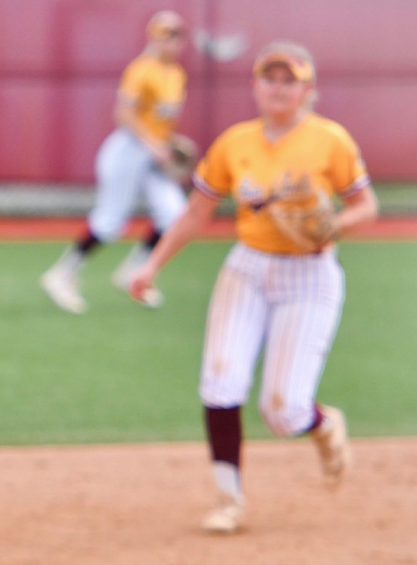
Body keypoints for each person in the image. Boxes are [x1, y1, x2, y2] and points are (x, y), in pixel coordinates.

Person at [128, 42, 378, 533]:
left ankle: (323, 425)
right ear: (255, 85)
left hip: (310, 275)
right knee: (220, 380)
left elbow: (366, 205)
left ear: (307, 89)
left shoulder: (330, 140)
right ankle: (229, 498)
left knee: (283, 411)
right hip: (248, 268)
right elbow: (197, 212)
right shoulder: (234, 143)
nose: (279, 87)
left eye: (290, 80)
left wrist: (334, 225)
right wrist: (151, 266)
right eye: (270, 78)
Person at [41, 9, 190, 314]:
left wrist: (169, 145)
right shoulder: (142, 69)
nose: (173, 42)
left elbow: (160, 121)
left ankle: (135, 273)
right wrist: (153, 144)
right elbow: (123, 114)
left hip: (153, 152)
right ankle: (62, 274)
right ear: (154, 38)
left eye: (177, 36)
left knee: (175, 215)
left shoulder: (176, 74)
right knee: (110, 221)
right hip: (129, 150)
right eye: (167, 36)